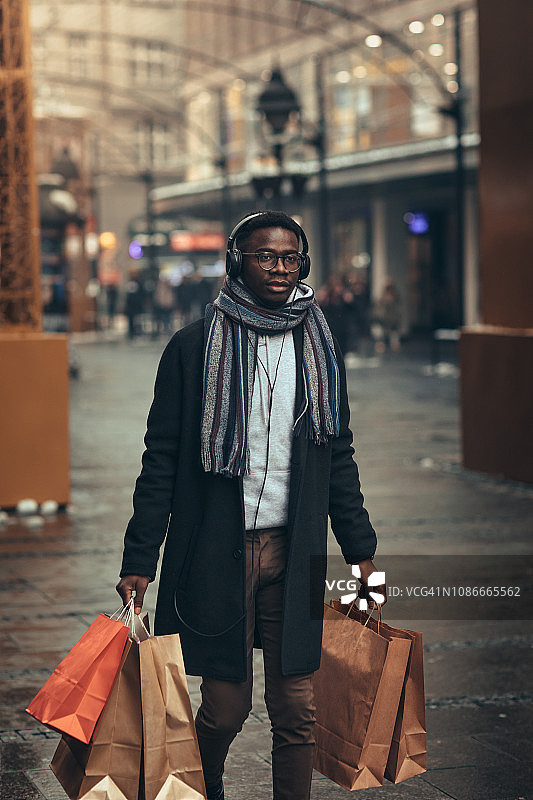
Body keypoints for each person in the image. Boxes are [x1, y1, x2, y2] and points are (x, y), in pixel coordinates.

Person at [116, 211, 386, 800]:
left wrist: (363, 552)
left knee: (297, 713)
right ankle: (203, 785)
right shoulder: (192, 348)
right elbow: (159, 458)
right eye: (266, 256)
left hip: (294, 551)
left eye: (291, 258)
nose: (280, 269)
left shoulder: (318, 344)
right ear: (238, 259)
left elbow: (338, 451)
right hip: (216, 551)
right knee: (224, 712)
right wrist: (139, 559)